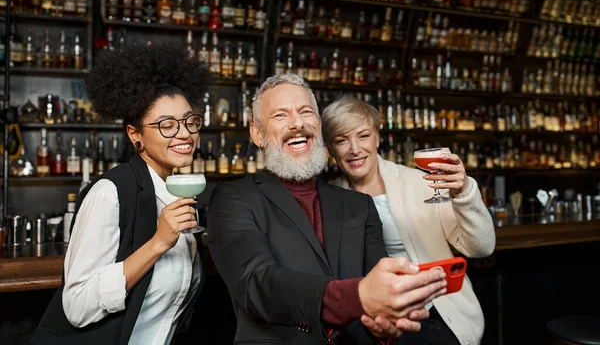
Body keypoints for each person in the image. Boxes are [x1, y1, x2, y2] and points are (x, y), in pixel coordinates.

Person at [207, 74, 449, 345]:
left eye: (305, 112)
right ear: (257, 134)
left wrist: (384, 325)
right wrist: (357, 296)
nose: (297, 123)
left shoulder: (358, 204)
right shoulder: (233, 199)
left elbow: (378, 290)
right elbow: (257, 283)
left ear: (319, 125)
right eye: (280, 116)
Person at [31, 43, 211, 345]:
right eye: (167, 125)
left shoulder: (175, 194)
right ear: (135, 134)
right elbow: (77, 305)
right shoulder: (109, 193)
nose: (184, 133)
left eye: (190, 120)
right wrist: (157, 244)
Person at [321, 96, 496, 345]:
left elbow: (481, 247)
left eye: (363, 135)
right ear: (330, 149)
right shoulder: (328, 198)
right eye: (341, 140)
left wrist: (464, 191)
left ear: (377, 137)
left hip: (434, 309)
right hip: (371, 315)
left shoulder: (420, 183)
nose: (354, 149)